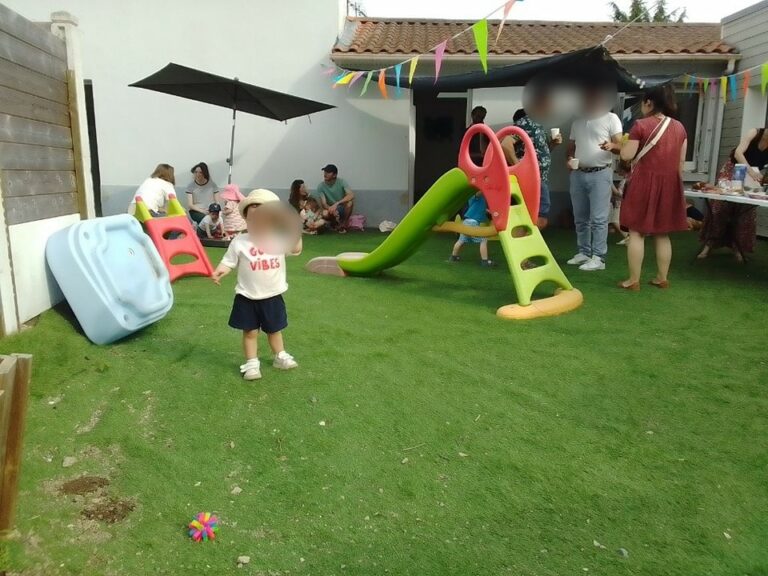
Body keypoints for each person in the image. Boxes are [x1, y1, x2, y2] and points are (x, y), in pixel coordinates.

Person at [212, 189, 302, 381]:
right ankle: (252, 362)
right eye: (252, 220)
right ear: (246, 220)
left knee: (274, 329)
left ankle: (280, 355)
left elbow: (296, 248)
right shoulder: (239, 242)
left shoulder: (278, 239)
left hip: (272, 295)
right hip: (247, 296)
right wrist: (221, 270)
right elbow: (229, 262)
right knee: (250, 332)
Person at [605, 84, 688, 290]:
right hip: (670, 184)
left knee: (636, 232)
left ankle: (633, 280)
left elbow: (626, 155)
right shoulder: (680, 128)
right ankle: (662, 278)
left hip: (643, 183)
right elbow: (681, 164)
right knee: (662, 233)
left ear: (649, 102)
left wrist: (620, 146)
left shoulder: (641, 125)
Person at [565, 91, 623, 271]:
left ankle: (599, 258)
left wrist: (611, 146)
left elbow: (621, 146)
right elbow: (571, 147)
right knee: (580, 217)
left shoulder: (611, 118)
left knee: (599, 218)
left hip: (600, 173)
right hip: (578, 173)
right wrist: (568, 159)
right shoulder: (578, 121)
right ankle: (584, 252)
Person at [697, 127, 768, 262]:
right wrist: (751, 172)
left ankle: (738, 247)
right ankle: (708, 245)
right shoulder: (755, 133)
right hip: (733, 169)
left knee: (746, 212)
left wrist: (759, 177)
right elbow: (738, 153)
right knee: (720, 207)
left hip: (751, 176)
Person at [501, 104, 562, 229]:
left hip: (539, 178)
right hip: (532, 179)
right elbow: (506, 144)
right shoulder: (526, 123)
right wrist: (519, 166)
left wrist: (552, 144)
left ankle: (523, 243)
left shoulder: (538, 126)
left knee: (535, 216)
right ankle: (522, 243)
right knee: (538, 217)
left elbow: (540, 154)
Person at [448, 192, 494, 267]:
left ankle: (453, 257)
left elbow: (482, 208)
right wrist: (483, 187)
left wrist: (489, 212)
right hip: (473, 223)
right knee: (483, 240)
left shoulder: (479, 201)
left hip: (467, 222)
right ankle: (485, 261)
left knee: (461, 240)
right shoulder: (474, 195)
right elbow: (478, 193)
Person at [316, 164, 355, 233]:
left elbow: (351, 195)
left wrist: (337, 203)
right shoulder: (321, 186)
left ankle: (344, 224)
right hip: (330, 209)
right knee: (325, 213)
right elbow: (324, 203)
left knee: (350, 203)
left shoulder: (342, 182)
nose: (325, 174)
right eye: (325, 172)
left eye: (328, 172)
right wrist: (332, 209)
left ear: (334, 175)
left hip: (341, 207)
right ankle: (334, 223)